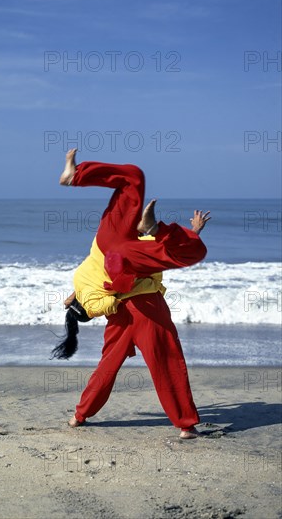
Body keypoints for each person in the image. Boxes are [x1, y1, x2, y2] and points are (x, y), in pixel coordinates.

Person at [56, 149, 211, 439]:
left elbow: (102, 297)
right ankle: (185, 424)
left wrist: (89, 294)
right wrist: (193, 234)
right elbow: (158, 259)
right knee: (166, 361)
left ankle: (80, 415)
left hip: (116, 249)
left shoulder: (82, 285)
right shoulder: (82, 284)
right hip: (139, 294)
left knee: (133, 178)